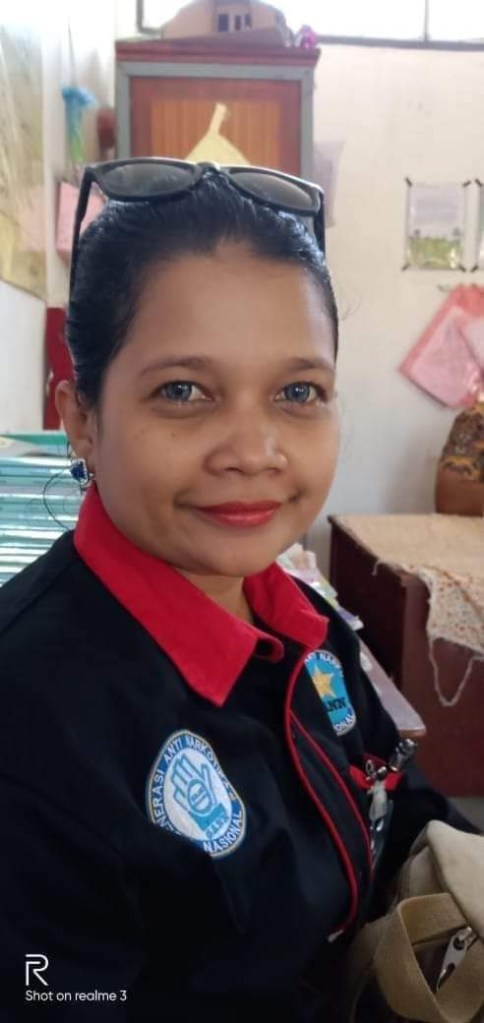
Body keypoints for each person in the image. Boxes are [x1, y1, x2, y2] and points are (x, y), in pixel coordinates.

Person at [0, 160, 475, 1022]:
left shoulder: (303, 621)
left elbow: (389, 791)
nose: (254, 450)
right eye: (184, 391)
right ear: (81, 418)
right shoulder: (31, 727)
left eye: (298, 391)